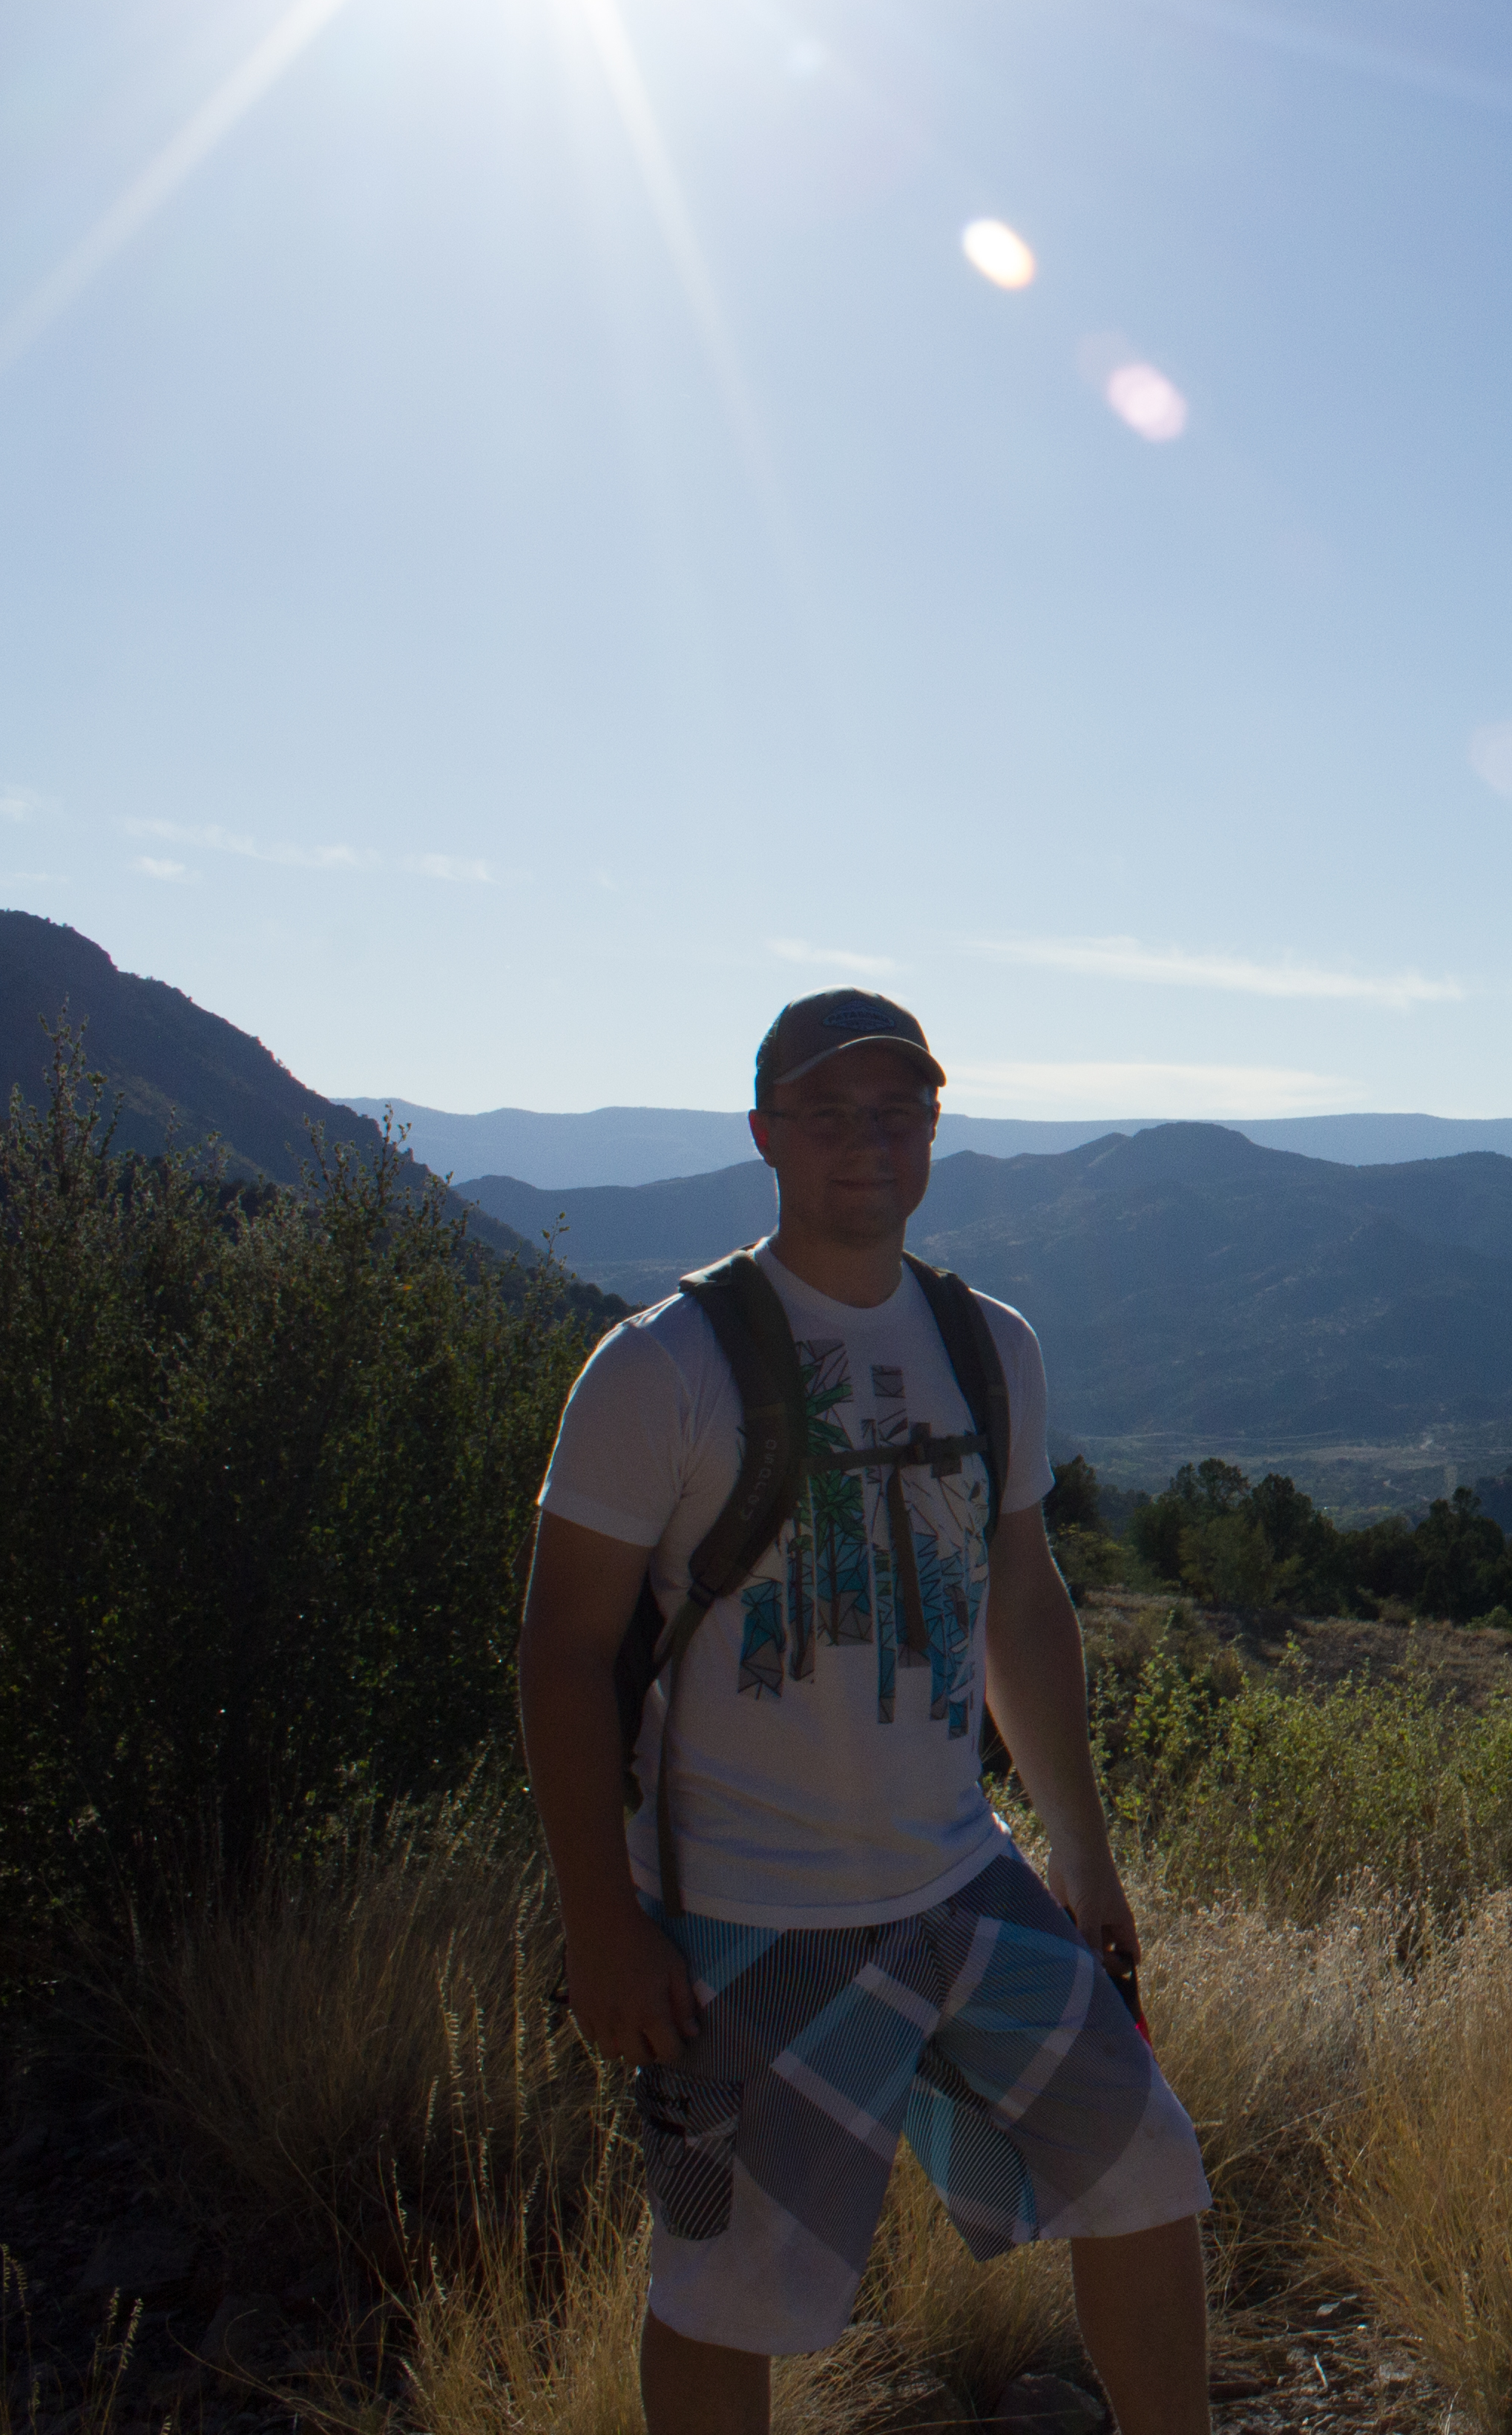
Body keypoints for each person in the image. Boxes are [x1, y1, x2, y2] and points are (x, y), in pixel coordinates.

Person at [517, 990, 1208, 2435]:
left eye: (898, 1113)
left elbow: (1022, 1602)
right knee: (724, 2292)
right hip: (747, 1918)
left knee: (1148, 2168)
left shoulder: (986, 1345)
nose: (866, 1144)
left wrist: (1079, 1860)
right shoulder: (661, 1368)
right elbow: (563, 1652)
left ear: (936, 1132)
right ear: (765, 1133)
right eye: (829, 1114)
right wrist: (602, 1922)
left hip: (961, 1875)